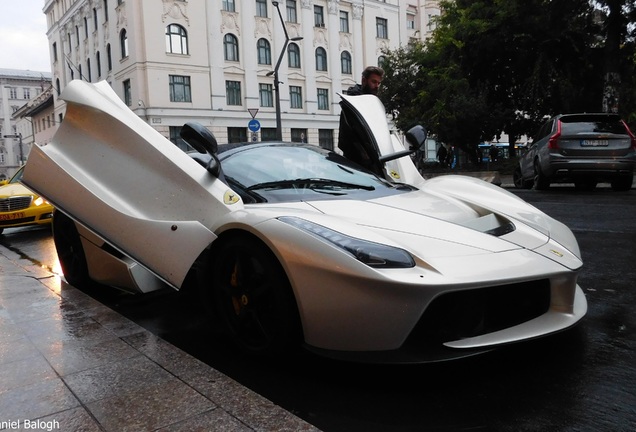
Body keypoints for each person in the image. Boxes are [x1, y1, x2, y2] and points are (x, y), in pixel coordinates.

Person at [338, 66, 385, 172]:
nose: (376, 86)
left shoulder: (372, 102)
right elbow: (350, 133)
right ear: (364, 80)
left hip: (373, 158)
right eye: (373, 82)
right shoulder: (353, 102)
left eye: (378, 83)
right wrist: (364, 155)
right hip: (357, 162)